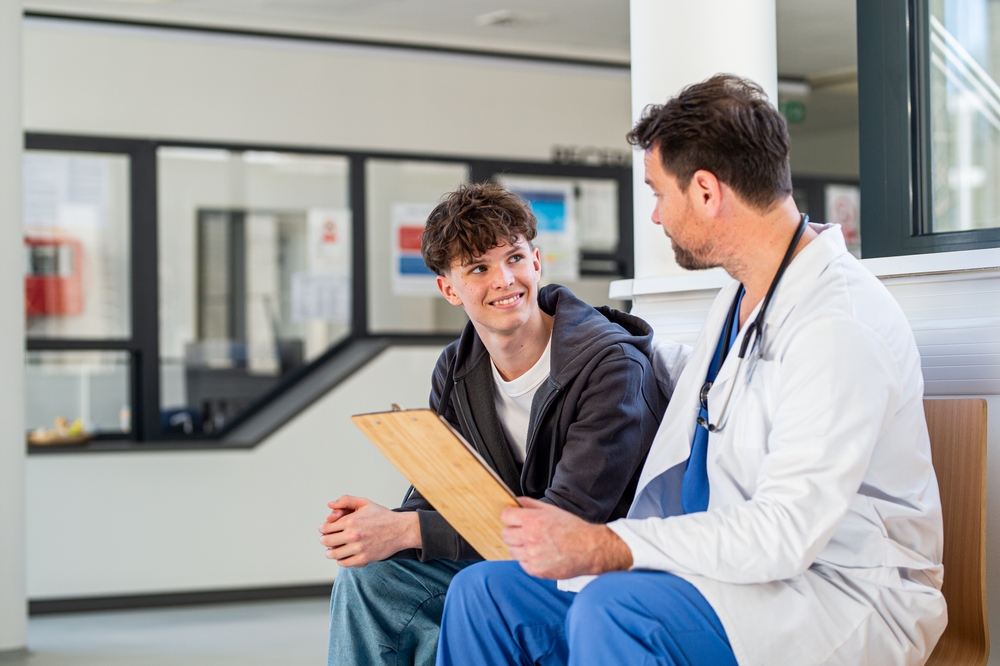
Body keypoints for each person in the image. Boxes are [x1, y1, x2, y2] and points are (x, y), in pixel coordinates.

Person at [437, 75, 947, 666]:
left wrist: (608, 544)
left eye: (658, 194)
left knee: (616, 609)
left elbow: (785, 534)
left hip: (839, 588)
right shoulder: (745, 294)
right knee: (486, 594)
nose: (655, 217)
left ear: (705, 191)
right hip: (727, 569)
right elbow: (703, 392)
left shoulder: (839, 324)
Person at [320, 182, 667, 666]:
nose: (504, 280)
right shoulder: (458, 369)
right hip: (506, 554)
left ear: (537, 262)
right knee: (368, 578)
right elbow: (441, 494)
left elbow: (567, 522)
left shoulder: (611, 367)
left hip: (593, 568)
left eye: (514, 259)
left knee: (468, 587)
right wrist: (388, 524)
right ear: (449, 288)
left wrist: (408, 531)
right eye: (478, 268)